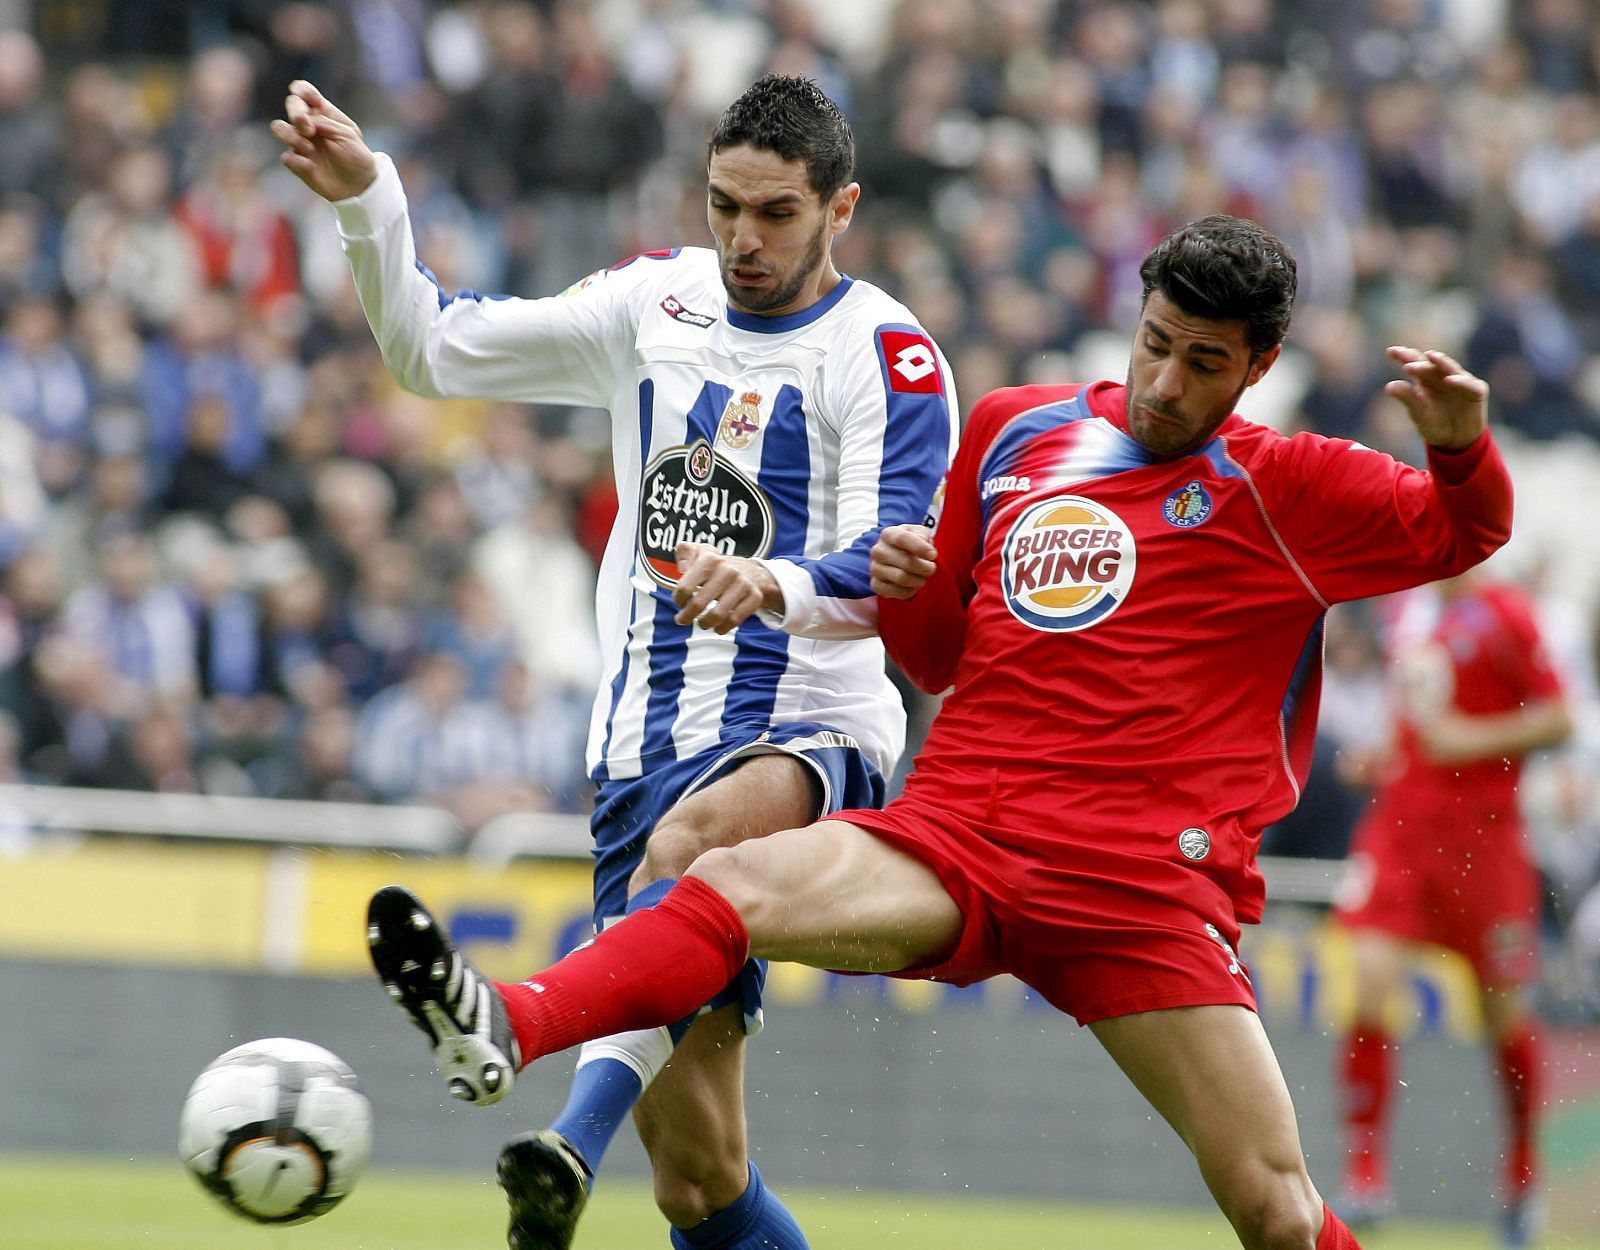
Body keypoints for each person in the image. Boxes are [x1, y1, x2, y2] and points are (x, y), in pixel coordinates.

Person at [363, 214, 1513, 1250]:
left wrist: (1460, 444)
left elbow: (1464, 532)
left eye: (1203, 362)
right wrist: (911, 583)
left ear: (1257, 367)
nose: (1164, 380)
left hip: (1140, 891)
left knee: (1272, 1205)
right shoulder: (1018, 428)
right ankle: (511, 1020)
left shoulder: (1292, 486)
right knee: (729, 874)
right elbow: (938, 656)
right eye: (1155, 340)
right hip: (960, 836)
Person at [273, 74, 957, 1250]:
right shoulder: (654, 304)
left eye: (776, 213)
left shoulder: (886, 355)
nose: (742, 238)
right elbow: (433, 349)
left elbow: (897, 572)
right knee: (702, 1181)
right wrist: (369, 200)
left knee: (693, 849)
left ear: (840, 209)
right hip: (639, 749)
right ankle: (581, 1131)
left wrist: (775, 583)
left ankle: (555, 1119)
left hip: (807, 725)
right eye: (723, 204)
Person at [1330, 571, 1572, 1248]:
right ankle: (1365, 1173)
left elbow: (1560, 716)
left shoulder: (1508, 615)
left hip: (1485, 837)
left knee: (1502, 1012)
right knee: (1370, 979)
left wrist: (1471, 740)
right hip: (1403, 827)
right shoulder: (1406, 608)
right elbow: (1414, 717)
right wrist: (1382, 755)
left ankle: (1523, 1176)